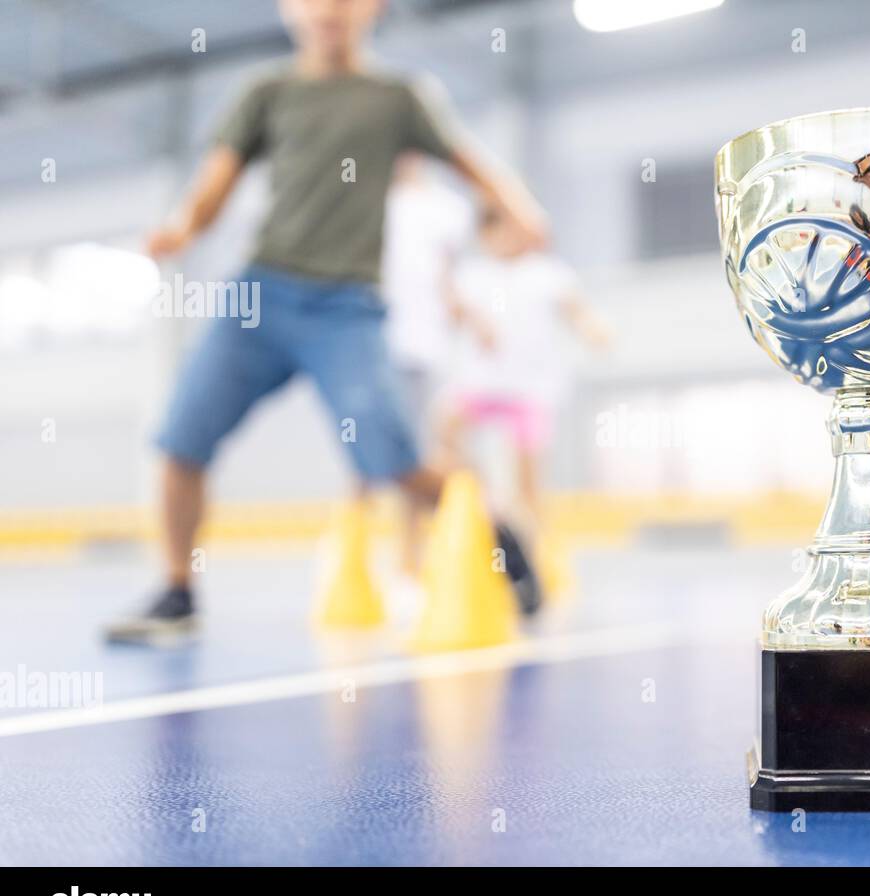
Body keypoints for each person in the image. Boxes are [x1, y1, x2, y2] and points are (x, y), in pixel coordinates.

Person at [107, 0, 547, 642]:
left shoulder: (398, 97)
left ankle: (499, 535)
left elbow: (471, 163)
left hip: (348, 309)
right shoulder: (266, 92)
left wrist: (520, 211)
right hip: (261, 295)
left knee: (394, 463)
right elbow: (215, 181)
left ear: (374, 8)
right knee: (179, 439)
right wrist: (182, 229)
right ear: (289, 9)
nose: (329, 9)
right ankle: (178, 590)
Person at [438, 206, 609, 605]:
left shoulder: (546, 272)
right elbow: (452, 304)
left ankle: (536, 559)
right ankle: (490, 508)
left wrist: (592, 328)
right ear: (486, 236)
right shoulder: (473, 274)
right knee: (443, 435)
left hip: (529, 390)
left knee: (530, 482)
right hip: (479, 385)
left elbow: (577, 309)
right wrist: (472, 317)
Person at [377, 155, 474, 577]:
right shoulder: (371, 200)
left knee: (421, 455)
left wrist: (463, 313)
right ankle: (392, 558)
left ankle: (415, 560)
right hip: (375, 340)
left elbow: (447, 276)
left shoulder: (446, 208)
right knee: (369, 450)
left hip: (425, 346)